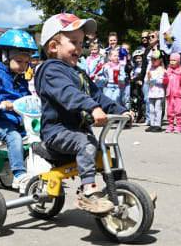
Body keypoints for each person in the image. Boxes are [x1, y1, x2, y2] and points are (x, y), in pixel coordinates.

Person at [35, 13, 135, 214]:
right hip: (57, 132)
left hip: (77, 132)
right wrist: (91, 107)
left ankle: (122, 192)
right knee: (87, 144)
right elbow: (67, 93)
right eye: (73, 42)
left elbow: (98, 96)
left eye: (81, 42)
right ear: (53, 47)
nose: (80, 48)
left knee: (106, 149)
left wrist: (121, 110)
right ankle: (88, 192)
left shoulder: (79, 72)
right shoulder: (50, 70)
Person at [0, 29, 38, 193]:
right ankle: (20, 174)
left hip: (18, 120)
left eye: (26, 62)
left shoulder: (20, 78)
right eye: (19, 61)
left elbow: (26, 95)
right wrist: (1, 101)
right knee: (13, 137)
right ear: (6, 57)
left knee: (40, 132)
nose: (23, 66)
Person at [163, 53, 181, 133]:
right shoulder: (169, 70)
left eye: (174, 60)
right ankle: (170, 126)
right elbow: (165, 82)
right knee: (169, 111)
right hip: (170, 94)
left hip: (178, 94)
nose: (172, 62)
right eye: (171, 60)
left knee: (178, 111)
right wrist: (165, 74)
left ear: (178, 61)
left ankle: (179, 126)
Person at [145, 50, 166, 133]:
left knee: (158, 109)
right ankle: (152, 124)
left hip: (159, 92)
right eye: (152, 59)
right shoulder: (150, 69)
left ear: (160, 60)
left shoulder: (161, 69)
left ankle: (158, 124)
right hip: (151, 92)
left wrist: (152, 78)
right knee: (151, 109)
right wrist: (149, 78)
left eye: (155, 59)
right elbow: (148, 81)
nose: (153, 61)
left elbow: (161, 81)